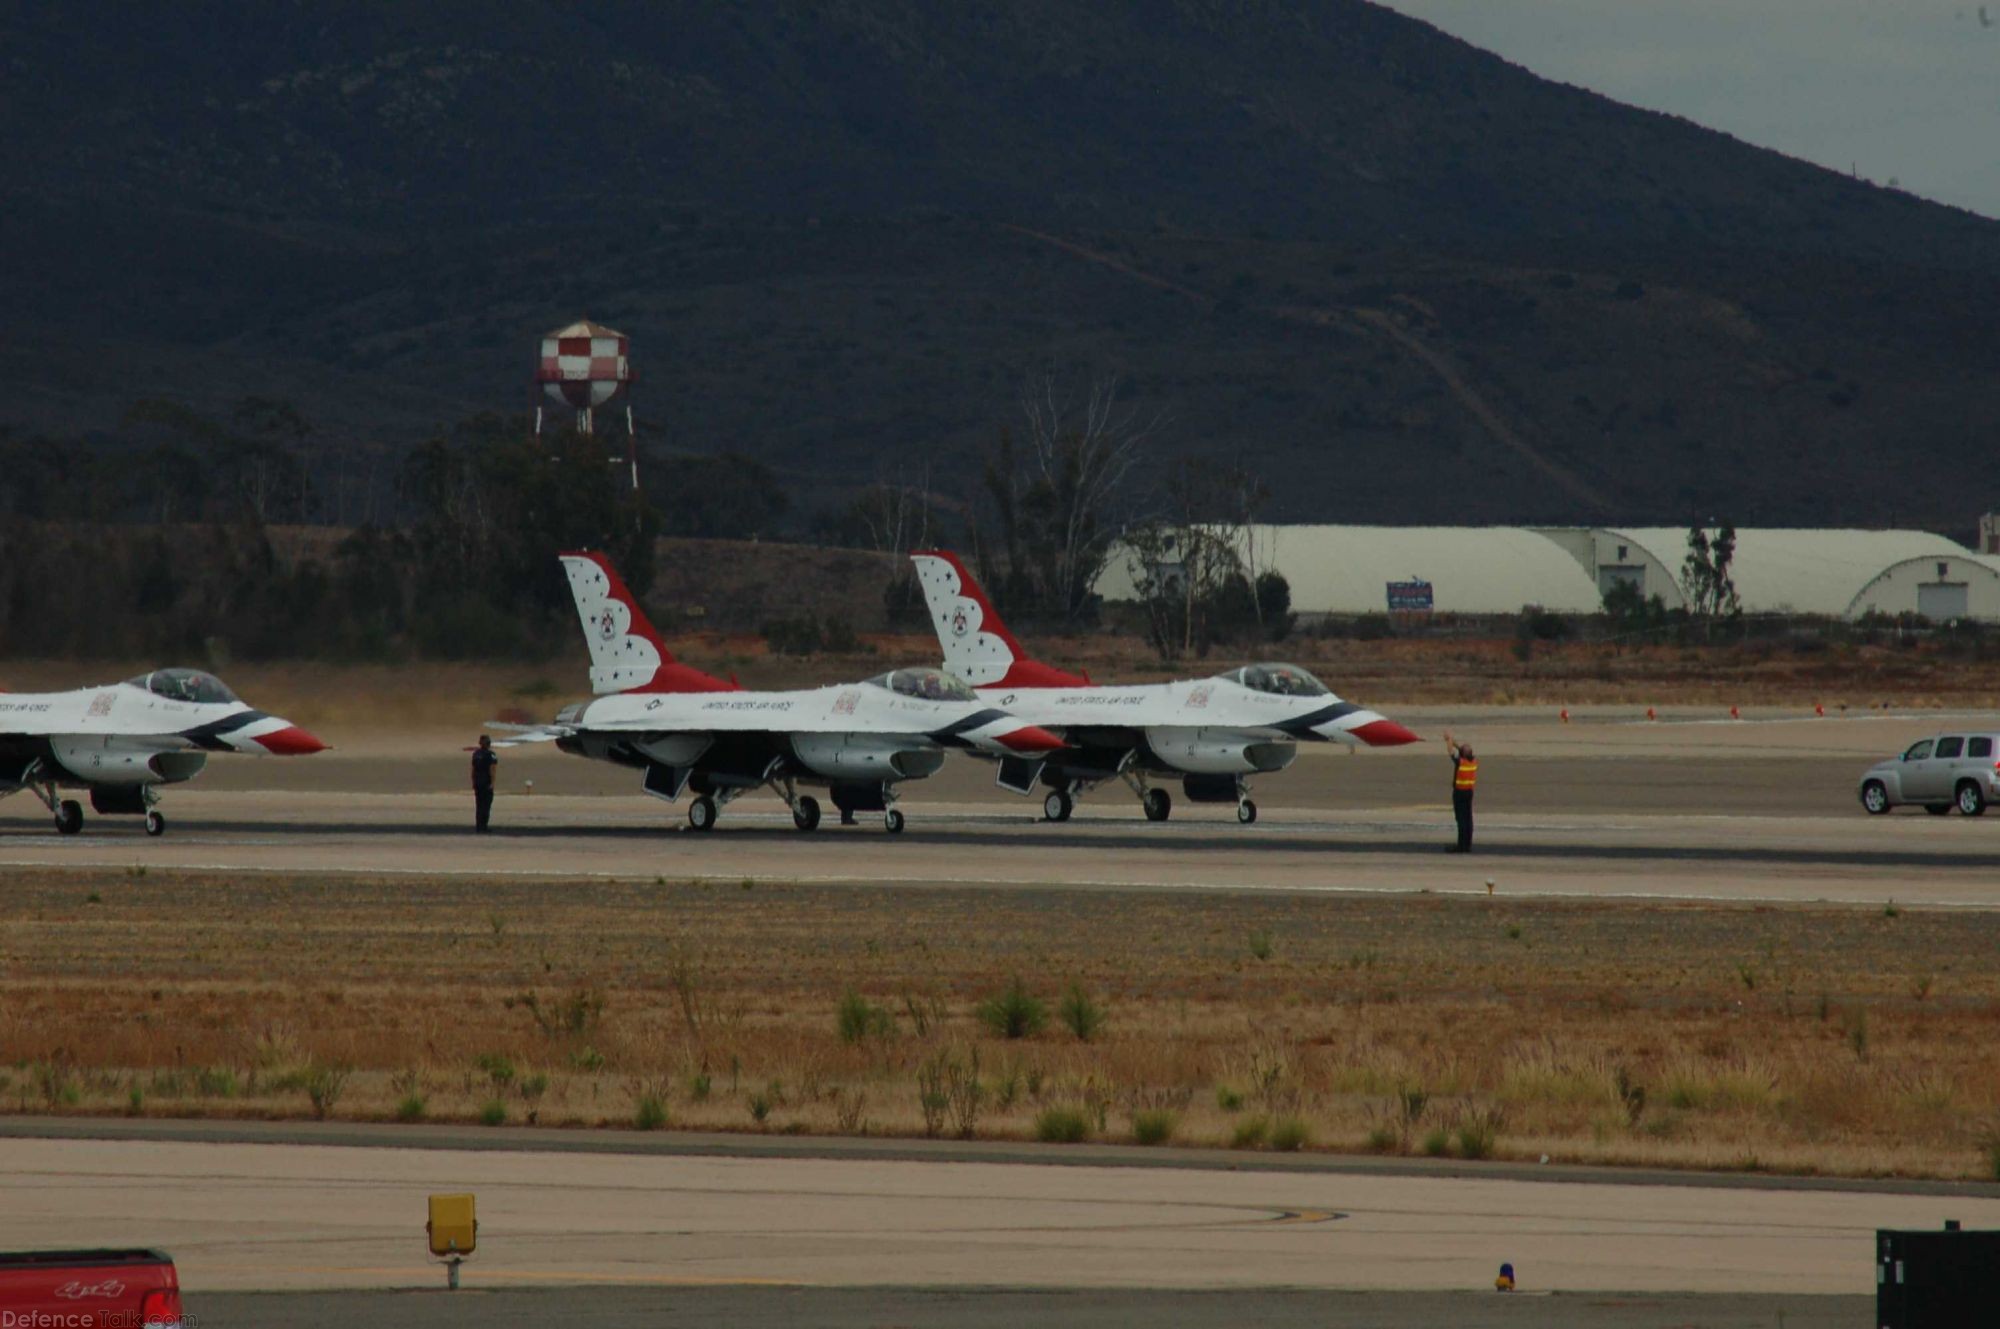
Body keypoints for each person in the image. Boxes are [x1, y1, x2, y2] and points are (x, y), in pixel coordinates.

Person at [1442, 729, 1477, 853]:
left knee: (1461, 820)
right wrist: (1453, 741)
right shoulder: (1473, 761)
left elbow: (1450, 751)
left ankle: (1461, 846)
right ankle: (1467, 845)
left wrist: (1448, 740)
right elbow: (1460, 749)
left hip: (1460, 793)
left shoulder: (1460, 762)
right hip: (1469, 793)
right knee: (1468, 820)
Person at [471, 734, 498, 833]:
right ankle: (484, 826)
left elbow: (473, 770)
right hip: (486, 782)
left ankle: (479, 826)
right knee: (486, 806)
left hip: (478, 782)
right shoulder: (491, 755)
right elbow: (492, 769)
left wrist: (473, 781)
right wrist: (492, 782)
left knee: (479, 805)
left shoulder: (476, 754)